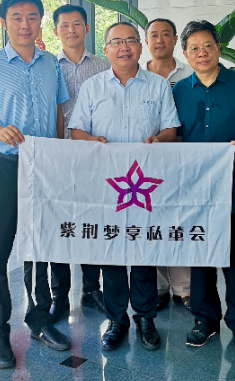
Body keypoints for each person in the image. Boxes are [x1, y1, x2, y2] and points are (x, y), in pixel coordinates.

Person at [0, 0, 72, 368]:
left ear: (40, 22)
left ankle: (39, 319)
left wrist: (58, 152)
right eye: (16, 17)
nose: (25, 24)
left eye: (32, 17)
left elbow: (59, 111)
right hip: (7, 167)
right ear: (4, 22)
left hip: (45, 165)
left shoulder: (51, 64)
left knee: (40, 245)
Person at [69, 21, 180, 351]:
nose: (124, 47)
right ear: (106, 50)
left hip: (146, 183)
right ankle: (117, 319)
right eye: (116, 42)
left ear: (140, 47)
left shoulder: (158, 86)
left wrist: (159, 139)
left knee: (144, 250)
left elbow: (171, 128)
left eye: (130, 40)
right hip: (106, 184)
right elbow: (77, 130)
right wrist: (92, 140)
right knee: (112, 252)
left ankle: (146, 318)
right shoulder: (92, 87)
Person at [173, 20, 235, 354]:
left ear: (219, 48)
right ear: (185, 54)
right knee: (199, 255)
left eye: (208, 46)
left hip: (233, 187)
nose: (202, 53)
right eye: (194, 48)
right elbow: (173, 134)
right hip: (195, 190)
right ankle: (204, 320)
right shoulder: (179, 91)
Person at [48, 4, 110, 319]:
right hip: (57, 156)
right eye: (65, 25)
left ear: (87, 28)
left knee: (91, 223)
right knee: (59, 226)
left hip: (92, 155)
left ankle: (91, 289)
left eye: (77, 24)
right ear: (56, 31)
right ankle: (59, 296)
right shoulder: (46, 66)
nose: (71, 30)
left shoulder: (104, 66)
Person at [142, 17, 194, 310]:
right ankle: (159, 287)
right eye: (154, 35)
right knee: (151, 221)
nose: (159, 40)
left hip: (181, 159)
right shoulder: (137, 74)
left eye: (166, 34)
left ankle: (184, 288)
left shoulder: (190, 73)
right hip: (147, 162)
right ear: (146, 41)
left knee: (178, 221)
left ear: (175, 40)